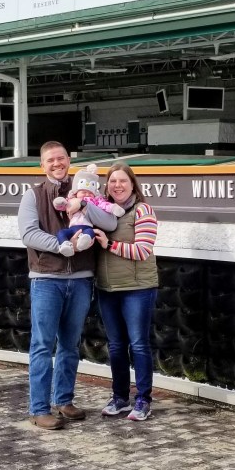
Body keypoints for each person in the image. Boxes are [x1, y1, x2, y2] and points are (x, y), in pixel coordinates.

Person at [17, 142, 119, 430]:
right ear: (42, 165)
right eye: (50, 160)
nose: (56, 163)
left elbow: (110, 223)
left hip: (81, 279)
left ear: (68, 160)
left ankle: (64, 400)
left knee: (70, 345)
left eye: (61, 158)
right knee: (42, 345)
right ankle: (39, 409)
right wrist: (63, 245)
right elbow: (28, 234)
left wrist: (86, 204)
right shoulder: (33, 195)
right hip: (46, 279)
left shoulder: (87, 191)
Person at [93, 161, 159, 422]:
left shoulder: (143, 210)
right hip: (107, 288)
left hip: (137, 289)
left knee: (139, 344)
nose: (117, 185)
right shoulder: (101, 211)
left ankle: (143, 400)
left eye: (123, 180)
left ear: (132, 184)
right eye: (112, 181)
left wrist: (109, 244)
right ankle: (120, 397)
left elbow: (143, 250)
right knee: (116, 346)